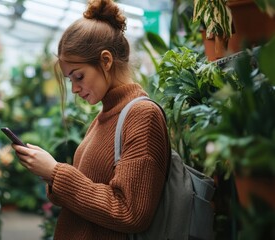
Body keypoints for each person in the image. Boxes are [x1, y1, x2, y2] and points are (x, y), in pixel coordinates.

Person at [11, 0, 170, 239]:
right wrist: (47, 170)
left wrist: (56, 173)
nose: (74, 88)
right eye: (70, 80)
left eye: (79, 76)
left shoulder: (142, 116)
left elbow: (131, 212)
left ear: (105, 61)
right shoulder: (105, 115)